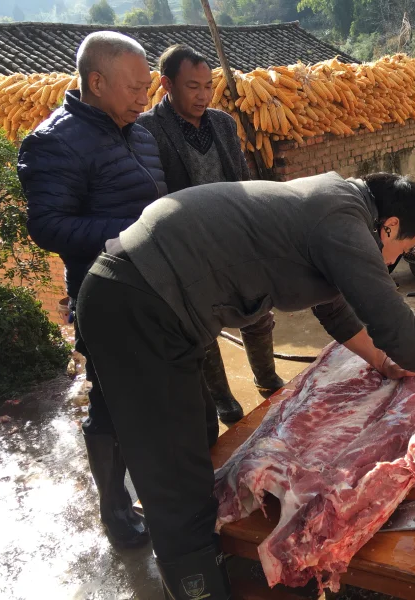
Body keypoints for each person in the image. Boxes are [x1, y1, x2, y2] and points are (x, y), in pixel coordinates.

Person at [75, 171, 415, 597]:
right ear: (389, 225)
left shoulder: (333, 203)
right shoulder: (343, 219)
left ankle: (124, 517)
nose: (390, 262)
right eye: (400, 250)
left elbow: (336, 310)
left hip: (122, 291)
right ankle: (198, 587)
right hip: (142, 303)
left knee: (185, 429)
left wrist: (381, 362)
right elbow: (389, 317)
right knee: (178, 481)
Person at [17, 31, 168, 549]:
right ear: (96, 82)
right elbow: (49, 226)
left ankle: (165, 485)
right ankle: (115, 510)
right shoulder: (53, 140)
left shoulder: (140, 132)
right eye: (134, 87)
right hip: (104, 291)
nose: (144, 97)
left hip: (157, 284)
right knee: (111, 400)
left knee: (162, 387)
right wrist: (123, 237)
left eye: (147, 87)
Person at [137, 44, 283, 425]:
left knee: (257, 310)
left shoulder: (222, 123)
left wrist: (255, 223)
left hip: (233, 238)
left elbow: (242, 178)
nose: (203, 95)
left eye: (208, 85)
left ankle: (267, 380)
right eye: (193, 87)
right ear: (167, 85)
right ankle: (222, 399)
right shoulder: (147, 130)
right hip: (185, 247)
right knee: (203, 325)